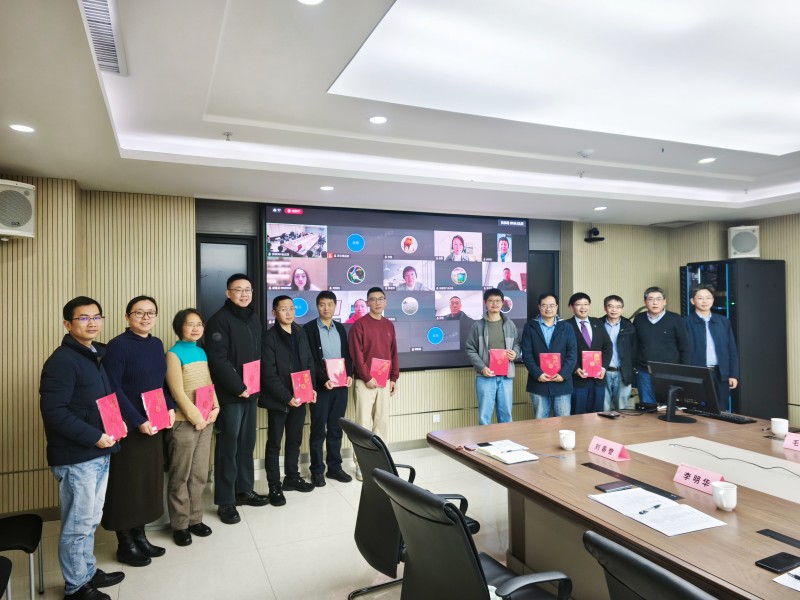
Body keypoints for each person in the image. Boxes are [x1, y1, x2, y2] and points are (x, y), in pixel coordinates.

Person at [40, 297, 125, 600]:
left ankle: (86, 572)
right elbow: (54, 412)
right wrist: (95, 436)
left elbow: (98, 402)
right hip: (77, 457)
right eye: (84, 318)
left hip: (98, 451)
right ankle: (76, 587)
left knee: (89, 520)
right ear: (67, 324)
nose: (92, 323)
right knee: (78, 525)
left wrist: (115, 426)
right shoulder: (62, 361)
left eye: (97, 317)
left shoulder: (93, 355)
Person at [102, 295, 175, 567]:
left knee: (146, 483)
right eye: (139, 313)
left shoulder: (156, 344)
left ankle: (140, 537)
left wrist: (169, 407)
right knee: (126, 485)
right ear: (127, 316)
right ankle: (125, 544)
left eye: (150, 313)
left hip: (154, 424)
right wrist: (136, 420)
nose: (145, 317)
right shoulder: (117, 346)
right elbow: (112, 387)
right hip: (128, 428)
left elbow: (160, 383)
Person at [205, 274, 269, 525]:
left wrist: (253, 387)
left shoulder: (253, 318)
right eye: (238, 290)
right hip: (230, 395)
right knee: (228, 446)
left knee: (247, 442)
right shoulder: (219, 320)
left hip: (251, 392)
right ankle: (225, 500)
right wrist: (238, 387)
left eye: (248, 290)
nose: (244, 294)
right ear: (228, 293)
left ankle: (244, 490)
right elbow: (217, 359)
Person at [164, 308, 220, 547]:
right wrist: (196, 417)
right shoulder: (172, 355)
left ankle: (195, 519)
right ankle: (180, 525)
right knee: (180, 475)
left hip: (205, 421)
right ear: (180, 327)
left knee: (199, 473)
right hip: (184, 422)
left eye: (199, 324)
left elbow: (208, 383)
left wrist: (216, 407)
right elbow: (177, 392)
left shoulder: (201, 351)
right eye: (190, 324)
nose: (196, 328)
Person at [261, 295, 317, 505]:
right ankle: (274, 485)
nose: (289, 313)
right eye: (283, 309)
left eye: (292, 308)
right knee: (274, 443)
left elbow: (309, 361)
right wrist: (287, 397)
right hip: (280, 400)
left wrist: (310, 388)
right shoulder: (269, 338)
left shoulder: (300, 332)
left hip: (300, 397)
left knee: (294, 440)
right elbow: (268, 374)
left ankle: (292, 477)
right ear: (274, 312)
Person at [348, 287, 399, 480]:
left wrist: (394, 377)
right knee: (363, 424)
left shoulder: (389, 325)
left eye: (380, 299)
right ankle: (361, 464)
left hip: (384, 381)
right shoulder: (359, 325)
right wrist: (366, 377)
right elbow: (356, 354)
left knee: (381, 422)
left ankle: (380, 463)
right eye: (373, 299)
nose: (377, 303)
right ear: (367, 302)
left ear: (385, 302)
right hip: (365, 382)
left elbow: (393, 352)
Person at [303, 291, 354, 486]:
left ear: (335, 306)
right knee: (318, 430)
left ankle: (335, 468)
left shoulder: (340, 328)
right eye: (322, 304)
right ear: (317, 306)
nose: (326, 308)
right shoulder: (308, 329)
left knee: (335, 428)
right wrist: (323, 378)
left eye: (330, 304)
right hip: (321, 387)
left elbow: (346, 355)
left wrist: (349, 374)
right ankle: (317, 470)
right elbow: (308, 359)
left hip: (340, 387)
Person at [465, 288, 521, 425]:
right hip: (485, 376)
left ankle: (505, 439)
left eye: (497, 301)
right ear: (485, 303)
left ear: (502, 303)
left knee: (506, 415)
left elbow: (517, 344)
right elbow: (470, 349)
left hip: (506, 376)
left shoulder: (510, 324)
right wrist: (482, 368)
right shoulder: (477, 326)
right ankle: (485, 440)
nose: (494, 304)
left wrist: (515, 353)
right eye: (491, 300)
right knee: (484, 417)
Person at [521, 293, 577, 418]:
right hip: (538, 382)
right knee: (541, 421)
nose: (548, 309)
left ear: (557, 307)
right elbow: (527, 354)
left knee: (563, 421)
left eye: (552, 305)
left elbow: (572, 353)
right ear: (539, 307)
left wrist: (563, 374)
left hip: (562, 382)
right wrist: (538, 374)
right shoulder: (530, 327)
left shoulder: (567, 327)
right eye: (544, 305)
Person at [633, 286, 691, 405]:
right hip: (644, 371)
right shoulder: (639, 319)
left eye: (658, 299)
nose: (655, 303)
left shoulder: (676, 319)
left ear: (664, 302)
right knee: (647, 407)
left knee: (668, 407)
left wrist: (684, 371)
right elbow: (635, 344)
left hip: (669, 371)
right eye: (651, 299)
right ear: (645, 302)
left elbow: (685, 347)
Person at [685, 285, 740, 407]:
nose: (705, 301)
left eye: (708, 298)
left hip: (721, 374)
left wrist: (733, 375)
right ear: (692, 301)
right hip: (697, 373)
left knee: (721, 409)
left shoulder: (723, 321)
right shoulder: (685, 323)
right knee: (697, 410)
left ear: (713, 300)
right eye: (700, 298)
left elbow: (732, 350)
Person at [566, 293, 611, 414]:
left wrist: (603, 367)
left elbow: (608, 346)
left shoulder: (598, 323)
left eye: (586, 304)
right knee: (577, 414)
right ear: (571, 307)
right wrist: (575, 368)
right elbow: (564, 350)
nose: (583, 307)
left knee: (597, 415)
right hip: (578, 379)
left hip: (598, 378)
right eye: (578, 304)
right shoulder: (566, 325)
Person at [602, 295, 637, 410]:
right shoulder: (597, 325)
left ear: (622, 309)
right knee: (603, 408)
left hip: (623, 373)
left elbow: (634, 350)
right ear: (605, 308)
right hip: (603, 372)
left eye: (618, 307)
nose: (614, 310)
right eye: (610, 306)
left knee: (622, 408)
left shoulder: (629, 327)